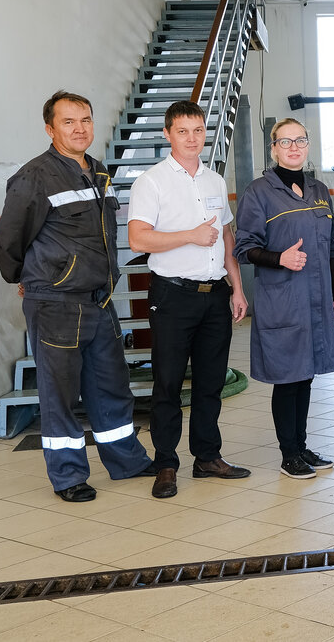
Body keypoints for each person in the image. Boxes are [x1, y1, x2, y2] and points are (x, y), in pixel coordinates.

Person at [0, 90, 155, 502]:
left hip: (99, 300)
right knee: (61, 394)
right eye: (68, 122)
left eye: (85, 119)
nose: (79, 128)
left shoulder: (98, 171)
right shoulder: (35, 177)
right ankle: (68, 476)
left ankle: (127, 461)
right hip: (57, 303)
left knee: (111, 386)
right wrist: (28, 278)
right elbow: (8, 242)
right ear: (50, 129)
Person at [127, 100, 250, 499]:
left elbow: (226, 235)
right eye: (183, 131)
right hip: (173, 295)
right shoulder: (151, 182)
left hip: (214, 295)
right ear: (168, 134)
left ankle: (207, 456)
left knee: (210, 382)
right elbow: (137, 239)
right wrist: (190, 236)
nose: (192, 138)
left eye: (198, 130)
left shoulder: (214, 181)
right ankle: (166, 463)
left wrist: (237, 286)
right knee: (167, 382)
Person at [234, 118, 334, 479]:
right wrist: (279, 258)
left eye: (300, 140)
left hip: (317, 298)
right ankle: (289, 454)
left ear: (308, 145)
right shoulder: (258, 192)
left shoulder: (319, 190)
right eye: (285, 142)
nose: (293, 147)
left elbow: (332, 249)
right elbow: (244, 247)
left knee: (306, 374)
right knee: (288, 377)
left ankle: (301, 445)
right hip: (283, 298)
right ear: (273, 149)